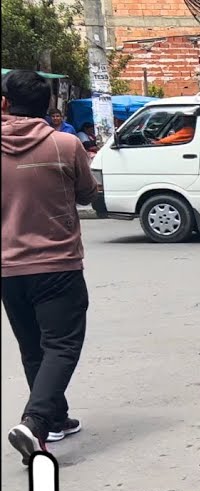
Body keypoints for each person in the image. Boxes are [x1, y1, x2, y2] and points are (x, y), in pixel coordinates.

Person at [2, 70, 97, 464]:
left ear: (5, 103)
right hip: (57, 264)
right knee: (61, 345)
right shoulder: (66, 145)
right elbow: (87, 194)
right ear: (49, 106)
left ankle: (55, 419)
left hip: (8, 268)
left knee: (32, 346)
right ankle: (37, 421)